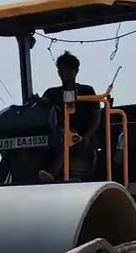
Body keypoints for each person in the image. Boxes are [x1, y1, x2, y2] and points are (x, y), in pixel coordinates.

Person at [42, 51, 101, 179]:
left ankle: (51, 174)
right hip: (56, 135)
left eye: (69, 70)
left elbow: (96, 115)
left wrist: (87, 136)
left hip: (81, 138)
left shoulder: (87, 91)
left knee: (66, 140)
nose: (64, 73)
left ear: (76, 71)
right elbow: (44, 115)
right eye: (61, 70)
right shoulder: (51, 93)